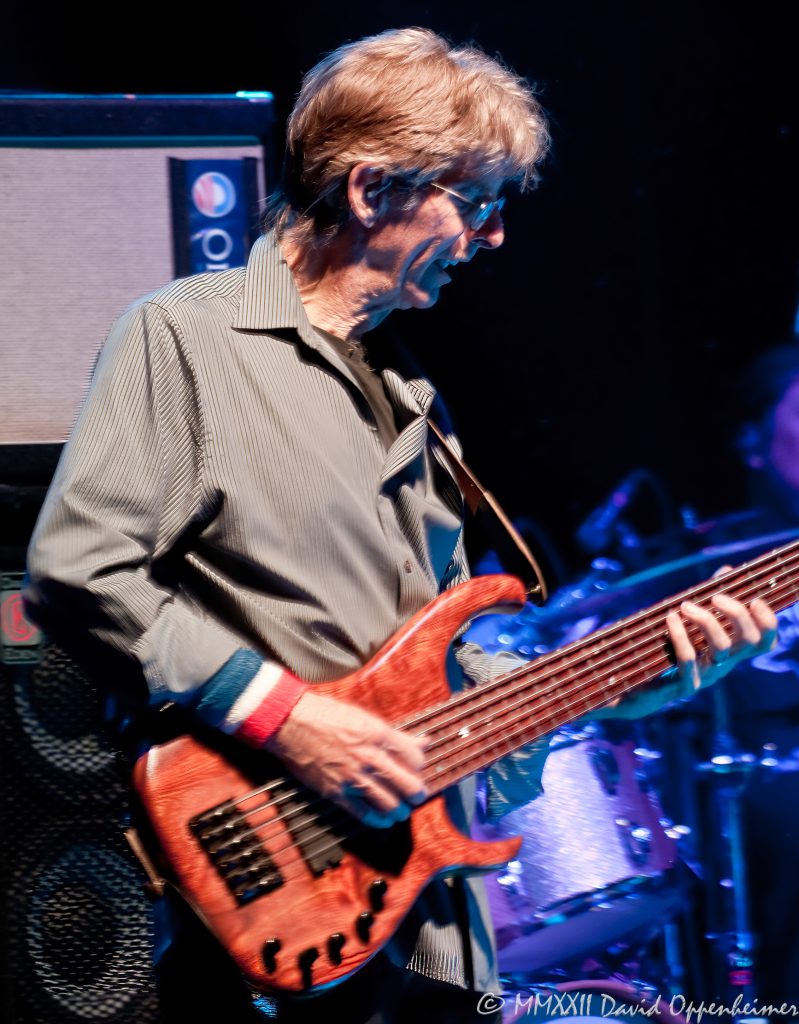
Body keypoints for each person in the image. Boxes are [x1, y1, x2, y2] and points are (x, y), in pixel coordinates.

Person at [23, 28, 777, 1023]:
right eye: (476, 202)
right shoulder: (186, 335)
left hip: (425, 933)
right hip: (265, 917)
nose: (494, 235)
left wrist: (629, 683)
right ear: (372, 188)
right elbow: (78, 570)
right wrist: (286, 714)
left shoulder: (414, 397)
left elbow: (445, 699)